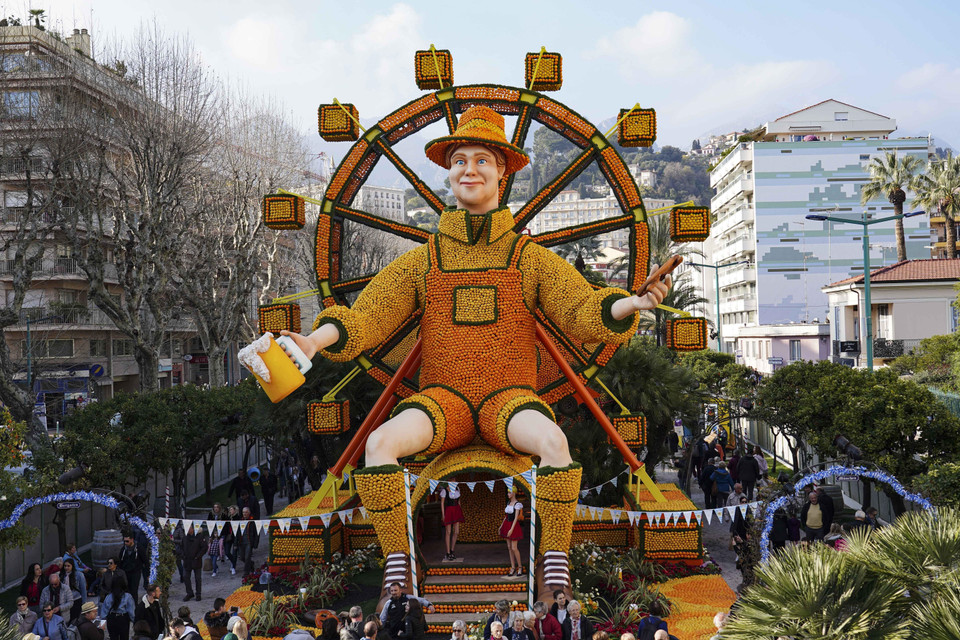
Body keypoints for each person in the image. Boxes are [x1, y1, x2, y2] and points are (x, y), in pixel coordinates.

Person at [272, 106, 671, 600]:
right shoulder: (423, 261)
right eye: (460, 159)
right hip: (444, 403)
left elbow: (583, 310)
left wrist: (634, 302)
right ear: (448, 173)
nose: (470, 168)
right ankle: (400, 561)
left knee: (555, 446)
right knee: (377, 446)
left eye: (482, 159)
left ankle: (554, 561)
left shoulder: (529, 259)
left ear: (503, 171)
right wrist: (311, 342)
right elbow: (367, 318)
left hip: (511, 401)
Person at [100, 574, 134, 640]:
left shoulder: (108, 597)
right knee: (124, 637)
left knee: (113, 637)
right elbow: (131, 612)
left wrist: (103, 622)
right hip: (123, 619)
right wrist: (135, 622)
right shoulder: (127, 596)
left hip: (111, 619)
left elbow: (104, 611)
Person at [499, 489, 524, 577]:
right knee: (509, 547)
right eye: (508, 492)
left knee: (514, 547)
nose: (508, 494)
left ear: (514, 493)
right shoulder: (508, 503)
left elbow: (516, 518)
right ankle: (513, 566)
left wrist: (511, 529)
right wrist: (501, 526)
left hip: (513, 526)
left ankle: (520, 566)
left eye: (509, 492)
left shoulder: (517, 505)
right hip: (506, 525)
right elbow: (506, 517)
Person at [181, 525, 207, 601]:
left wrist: (198, 556)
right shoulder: (185, 537)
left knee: (198, 578)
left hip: (196, 561)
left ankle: (198, 594)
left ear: (192, 528)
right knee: (186, 577)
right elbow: (181, 547)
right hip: (187, 561)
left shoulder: (199, 536)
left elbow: (204, 547)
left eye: (189, 528)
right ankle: (189, 593)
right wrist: (183, 555)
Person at [439, 484, 464, 561]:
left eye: (454, 480)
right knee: (448, 532)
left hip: (457, 510)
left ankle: (452, 550)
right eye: (452, 480)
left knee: (456, 532)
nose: (454, 481)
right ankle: (448, 552)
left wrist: (460, 511)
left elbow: (459, 501)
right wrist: (443, 515)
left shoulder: (457, 489)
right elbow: (442, 503)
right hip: (449, 511)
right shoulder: (445, 491)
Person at [118, 535, 144, 600]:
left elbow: (145, 559)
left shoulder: (138, 548)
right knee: (126, 590)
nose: (125, 543)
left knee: (134, 590)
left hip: (135, 572)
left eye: (127, 541)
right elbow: (120, 561)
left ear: (132, 540)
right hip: (126, 572)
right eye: (124, 541)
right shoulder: (124, 549)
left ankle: (134, 606)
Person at [237, 507, 259, 575]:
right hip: (241, 542)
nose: (244, 514)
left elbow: (257, 533)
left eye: (246, 512)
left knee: (247, 557)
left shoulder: (253, 521)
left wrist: (255, 543)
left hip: (249, 542)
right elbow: (237, 532)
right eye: (243, 512)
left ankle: (246, 572)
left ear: (249, 513)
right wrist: (235, 543)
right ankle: (251, 564)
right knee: (241, 557)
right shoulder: (240, 521)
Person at [223, 506, 240, 575]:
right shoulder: (227, 518)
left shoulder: (237, 518)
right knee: (227, 552)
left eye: (231, 509)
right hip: (228, 537)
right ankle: (233, 562)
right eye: (229, 510)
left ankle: (233, 567)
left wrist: (236, 541)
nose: (230, 511)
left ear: (235, 510)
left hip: (235, 537)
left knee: (234, 552)